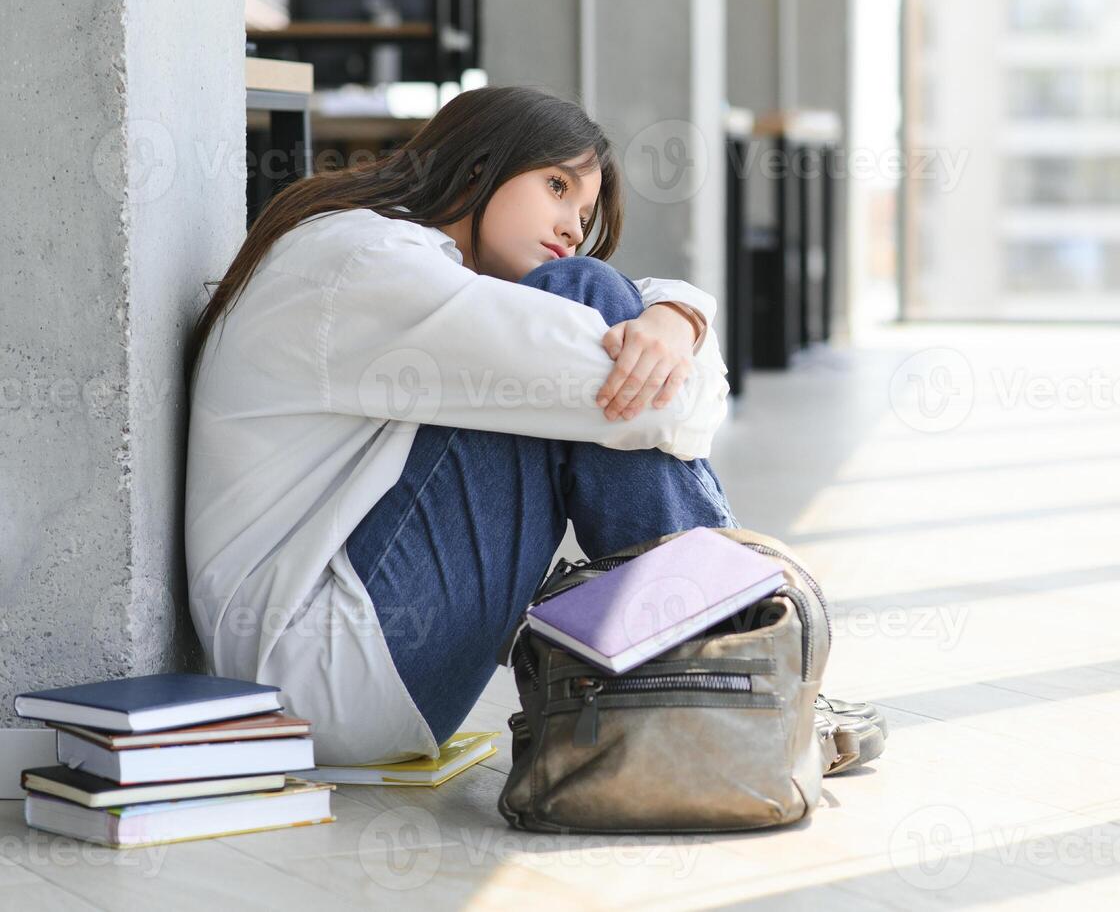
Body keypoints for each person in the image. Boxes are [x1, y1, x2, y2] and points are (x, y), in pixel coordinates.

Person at [184, 86, 740, 765]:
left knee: (600, 314)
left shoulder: (380, 254)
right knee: (587, 295)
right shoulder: (367, 262)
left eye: (584, 211)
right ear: (479, 165)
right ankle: (726, 661)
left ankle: (717, 663)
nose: (570, 224)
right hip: (328, 672)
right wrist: (679, 320)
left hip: (370, 672)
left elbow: (651, 388)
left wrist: (676, 318)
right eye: (556, 186)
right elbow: (656, 402)